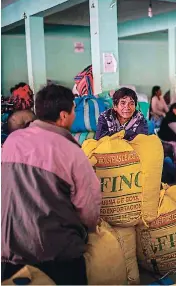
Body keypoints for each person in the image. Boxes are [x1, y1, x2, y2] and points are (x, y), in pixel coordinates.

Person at [1, 84, 101, 285]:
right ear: (64, 116)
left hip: (9, 251)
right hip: (56, 254)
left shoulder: (11, 141)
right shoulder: (72, 152)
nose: (75, 116)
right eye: (74, 111)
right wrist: (91, 230)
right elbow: (89, 209)